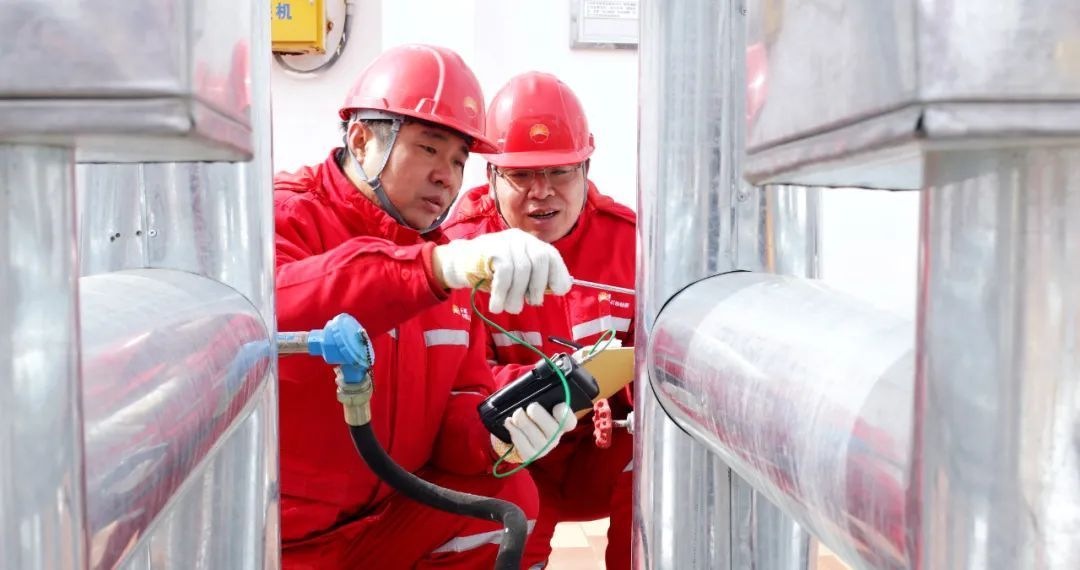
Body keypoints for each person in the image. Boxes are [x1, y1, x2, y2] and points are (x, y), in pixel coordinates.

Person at [274, 45, 579, 568]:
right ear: (361, 139)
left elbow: (457, 413)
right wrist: (432, 268)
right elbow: (278, 306)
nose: (447, 176)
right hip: (279, 539)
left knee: (509, 500)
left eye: (459, 160)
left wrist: (498, 433)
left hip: (380, 524)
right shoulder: (289, 214)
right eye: (429, 149)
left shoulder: (445, 268)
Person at [443, 71, 636, 569]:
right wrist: (550, 387)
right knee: (506, 522)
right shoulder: (459, 252)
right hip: (511, 445)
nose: (541, 192)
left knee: (665, 460)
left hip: (600, 450)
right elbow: (454, 380)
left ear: (586, 168)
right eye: (521, 175)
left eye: (560, 172)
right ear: (490, 176)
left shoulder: (631, 244)